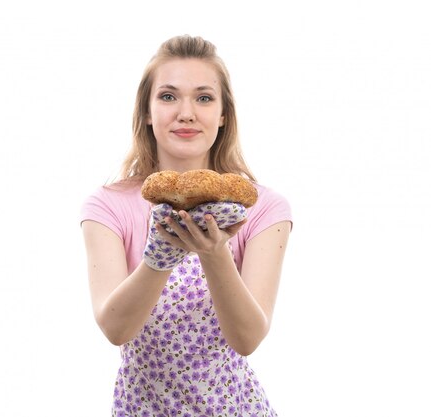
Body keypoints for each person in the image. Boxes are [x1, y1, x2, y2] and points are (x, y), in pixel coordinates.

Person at [80, 34, 292, 417]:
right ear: (146, 111)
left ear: (224, 114)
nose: (187, 112)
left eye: (204, 97)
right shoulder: (108, 205)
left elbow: (247, 339)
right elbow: (115, 329)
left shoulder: (261, 208)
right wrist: (160, 256)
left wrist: (215, 254)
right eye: (168, 96)